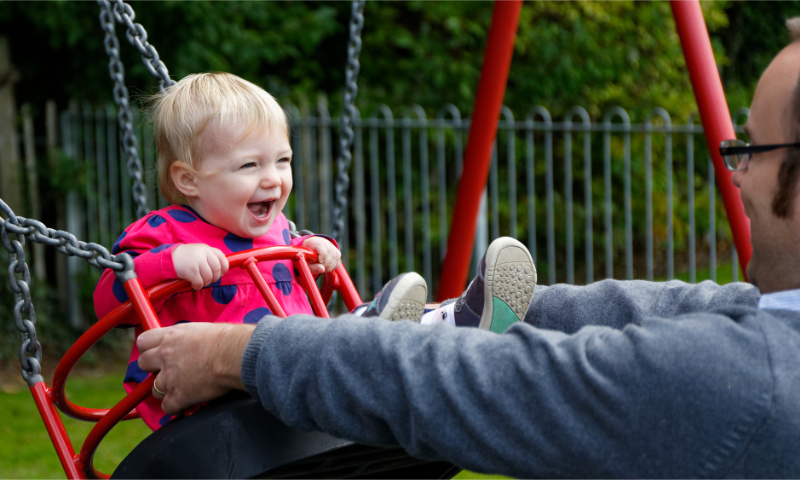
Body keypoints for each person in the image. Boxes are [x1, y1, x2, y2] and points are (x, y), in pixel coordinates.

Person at [136, 19, 800, 477]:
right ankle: (438, 320)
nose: (732, 173)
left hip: (263, 361)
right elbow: (641, 308)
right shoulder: (768, 332)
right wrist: (461, 316)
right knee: (438, 330)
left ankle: (402, 326)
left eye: (750, 147)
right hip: (264, 366)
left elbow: (478, 389)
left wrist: (237, 353)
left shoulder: (754, 386)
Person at [93, 72, 345, 430]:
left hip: (286, 388)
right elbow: (107, 302)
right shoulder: (164, 232)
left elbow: (296, 271)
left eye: (282, 161)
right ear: (189, 180)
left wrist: (313, 250)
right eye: (249, 165)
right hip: (202, 404)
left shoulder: (278, 230)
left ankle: (377, 333)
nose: (273, 178)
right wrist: (170, 262)